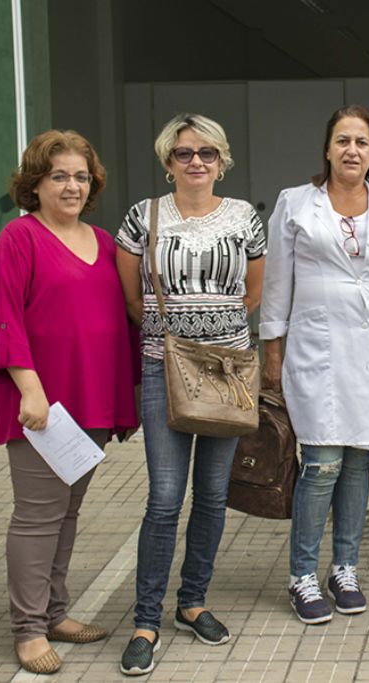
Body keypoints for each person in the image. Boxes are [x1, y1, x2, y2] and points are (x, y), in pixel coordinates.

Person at [0, 130, 138, 674]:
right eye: (59, 176)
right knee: (38, 516)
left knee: (66, 513)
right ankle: (27, 630)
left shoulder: (104, 241)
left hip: (90, 400)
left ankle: (54, 613)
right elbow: (3, 319)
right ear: (35, 183)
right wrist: (30, 390)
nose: (72, 186)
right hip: (42, 405)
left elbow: (122, 322)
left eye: (81, 176)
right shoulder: (17, 241)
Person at [260, 105, 369, 625]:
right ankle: (302, 574)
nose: (351, 150)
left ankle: (345, 567)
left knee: (359, 461)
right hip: (316, 349)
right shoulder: (295, 204)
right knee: (322, 463)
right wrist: (271, 351)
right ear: (327, 149)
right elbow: (276, 285)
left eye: (361, 142)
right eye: (342, 140)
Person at [115, 113, 266, 675]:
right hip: (163, 370)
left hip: (227, 373)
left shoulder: (244, 217)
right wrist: (177, 336)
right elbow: (132, 297)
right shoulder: (142, 217)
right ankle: (146, 620)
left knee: (210, 494)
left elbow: (253, 290)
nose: (196, 161)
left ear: (222, 160)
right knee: (164, 497)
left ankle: (193, 602)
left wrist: (214, 337)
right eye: (184, 153)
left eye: (206, 152)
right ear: (167, 161)